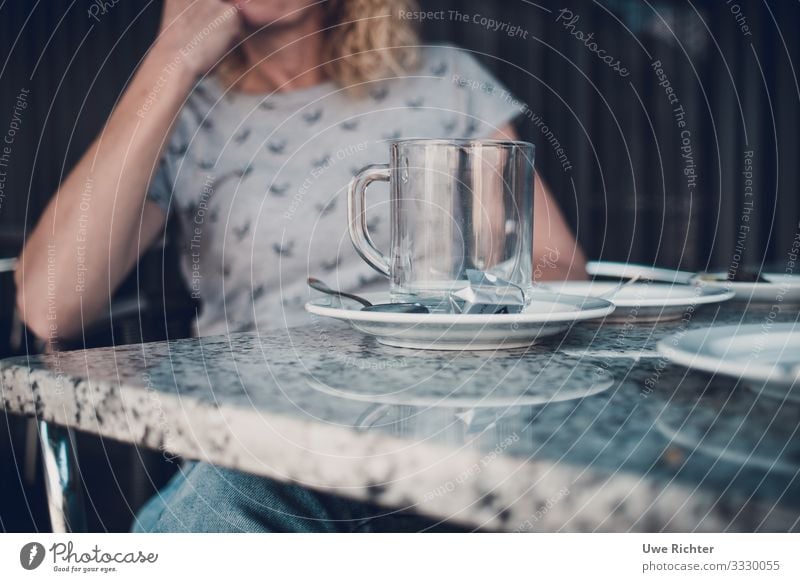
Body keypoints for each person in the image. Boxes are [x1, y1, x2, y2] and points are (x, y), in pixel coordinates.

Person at [16, 0, 587, 531]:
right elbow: (48, 304)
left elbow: (556, 270)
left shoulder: (444, 80)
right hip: (258, 439)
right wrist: (170, 59)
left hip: (442, 438)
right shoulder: (187, 114)